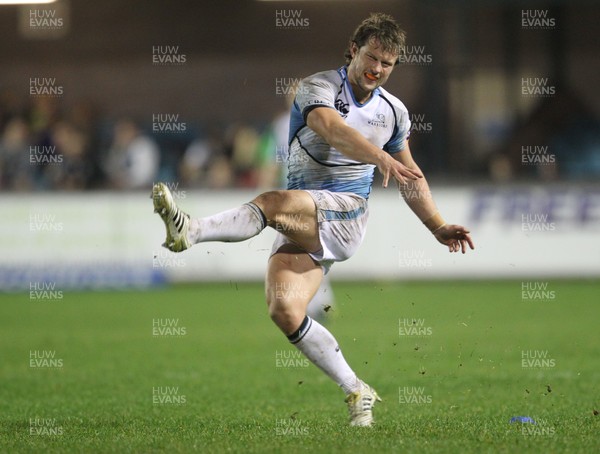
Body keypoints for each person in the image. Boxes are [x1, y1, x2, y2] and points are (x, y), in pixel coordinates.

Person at [152, 13, 474, 427]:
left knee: (272, 202)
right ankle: (358, 389)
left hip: (344, 213)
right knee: (284, 309)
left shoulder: (394, 112)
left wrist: (437, 225)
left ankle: (190, 231)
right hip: (308, 212)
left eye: (388, 64)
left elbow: (411, 176)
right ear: (353, 50)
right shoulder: (317, 87)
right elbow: (332, 130)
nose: (377, 69)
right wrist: (378, 156)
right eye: (371, 58)